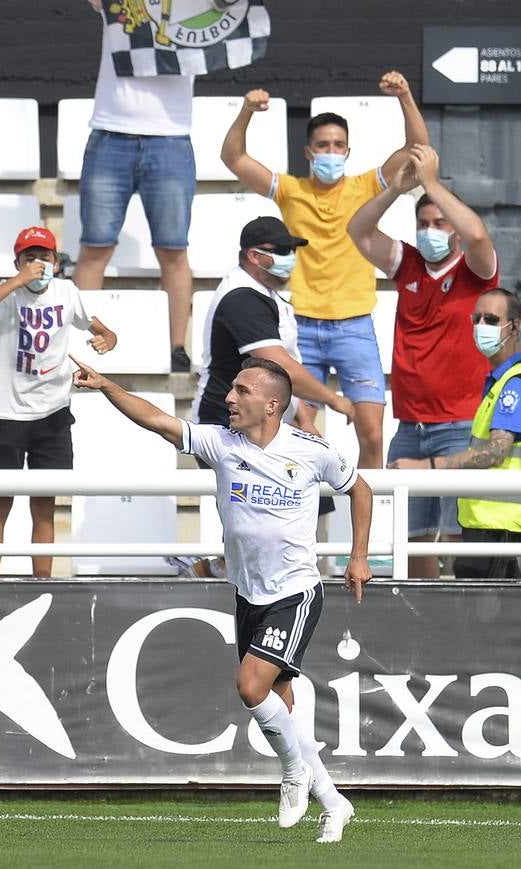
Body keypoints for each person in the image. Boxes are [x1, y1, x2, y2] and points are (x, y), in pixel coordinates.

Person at [74, 356, 372, 844]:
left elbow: (360, 490)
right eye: (231, 390)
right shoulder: (221, 443)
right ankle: (335, 804)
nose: (229, 398)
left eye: (242, 391)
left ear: (273, 404)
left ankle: (293, 774)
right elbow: (155, 420)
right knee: (282, 708)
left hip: (294, 593)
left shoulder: (311, 450)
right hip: (248, 594)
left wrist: (358, 556)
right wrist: (107, 384)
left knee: (251, 687)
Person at [221, 72, 429, 469]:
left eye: (338, 145)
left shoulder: (367, 185)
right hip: (302, 327)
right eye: (322, 145)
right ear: (309, 151)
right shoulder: (290, 189)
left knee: (371, 433)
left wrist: (404, 95)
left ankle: (367, 517)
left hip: (354, 325)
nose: (330, 151)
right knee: (291, 432)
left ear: (348, 151)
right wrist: (247, 110)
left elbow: (418, 148)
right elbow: (234, 158)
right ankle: (305, 516)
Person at [349, 145, 499, 577]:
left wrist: (432, 182)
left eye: (439, 223)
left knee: (458, 537)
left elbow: (478, 236)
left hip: (459, 424)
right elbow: (358, 230)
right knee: (411, 542)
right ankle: (429, 633)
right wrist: (396, 189)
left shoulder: (475, 269)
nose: (430, 231)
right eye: (423, 224)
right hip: (409, 426)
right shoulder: (408, 264)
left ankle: (465, 629)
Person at [0, 226, 117, 577]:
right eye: (29, 258)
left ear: (56, 263)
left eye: (44, 257)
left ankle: (42, 582)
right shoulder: (7, 292)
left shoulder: (67, 291)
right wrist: (16, 282)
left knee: (44, 505)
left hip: (53, 414)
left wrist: (107, 339)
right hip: (6, 414)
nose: (37, 264)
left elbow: (102, 329)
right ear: (16, 262)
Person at [72, 0, 195, 372]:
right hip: (111, 132)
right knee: (95, 247)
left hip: (171, 137)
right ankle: (79, 344)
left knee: (173, 250)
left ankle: (176, 348)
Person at [390, 288, 521, 579]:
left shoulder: (514, 383)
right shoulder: (498, 381)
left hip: (502, 531)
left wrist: (427, 466)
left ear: (514, 326)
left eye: (491, 319)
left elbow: (497, 451)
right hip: (487, 526)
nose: (481, 327)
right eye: (476, 319)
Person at [195, 217, 354, 430]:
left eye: (291, 251)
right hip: (225, 428)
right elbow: (281, 368)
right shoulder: (242, 298)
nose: (290, 258)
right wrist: (335, 400)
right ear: (253, 255)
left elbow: (280, 373)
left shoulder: (262, 292)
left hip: (257, 426)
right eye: (281, 251)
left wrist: (303, 422)